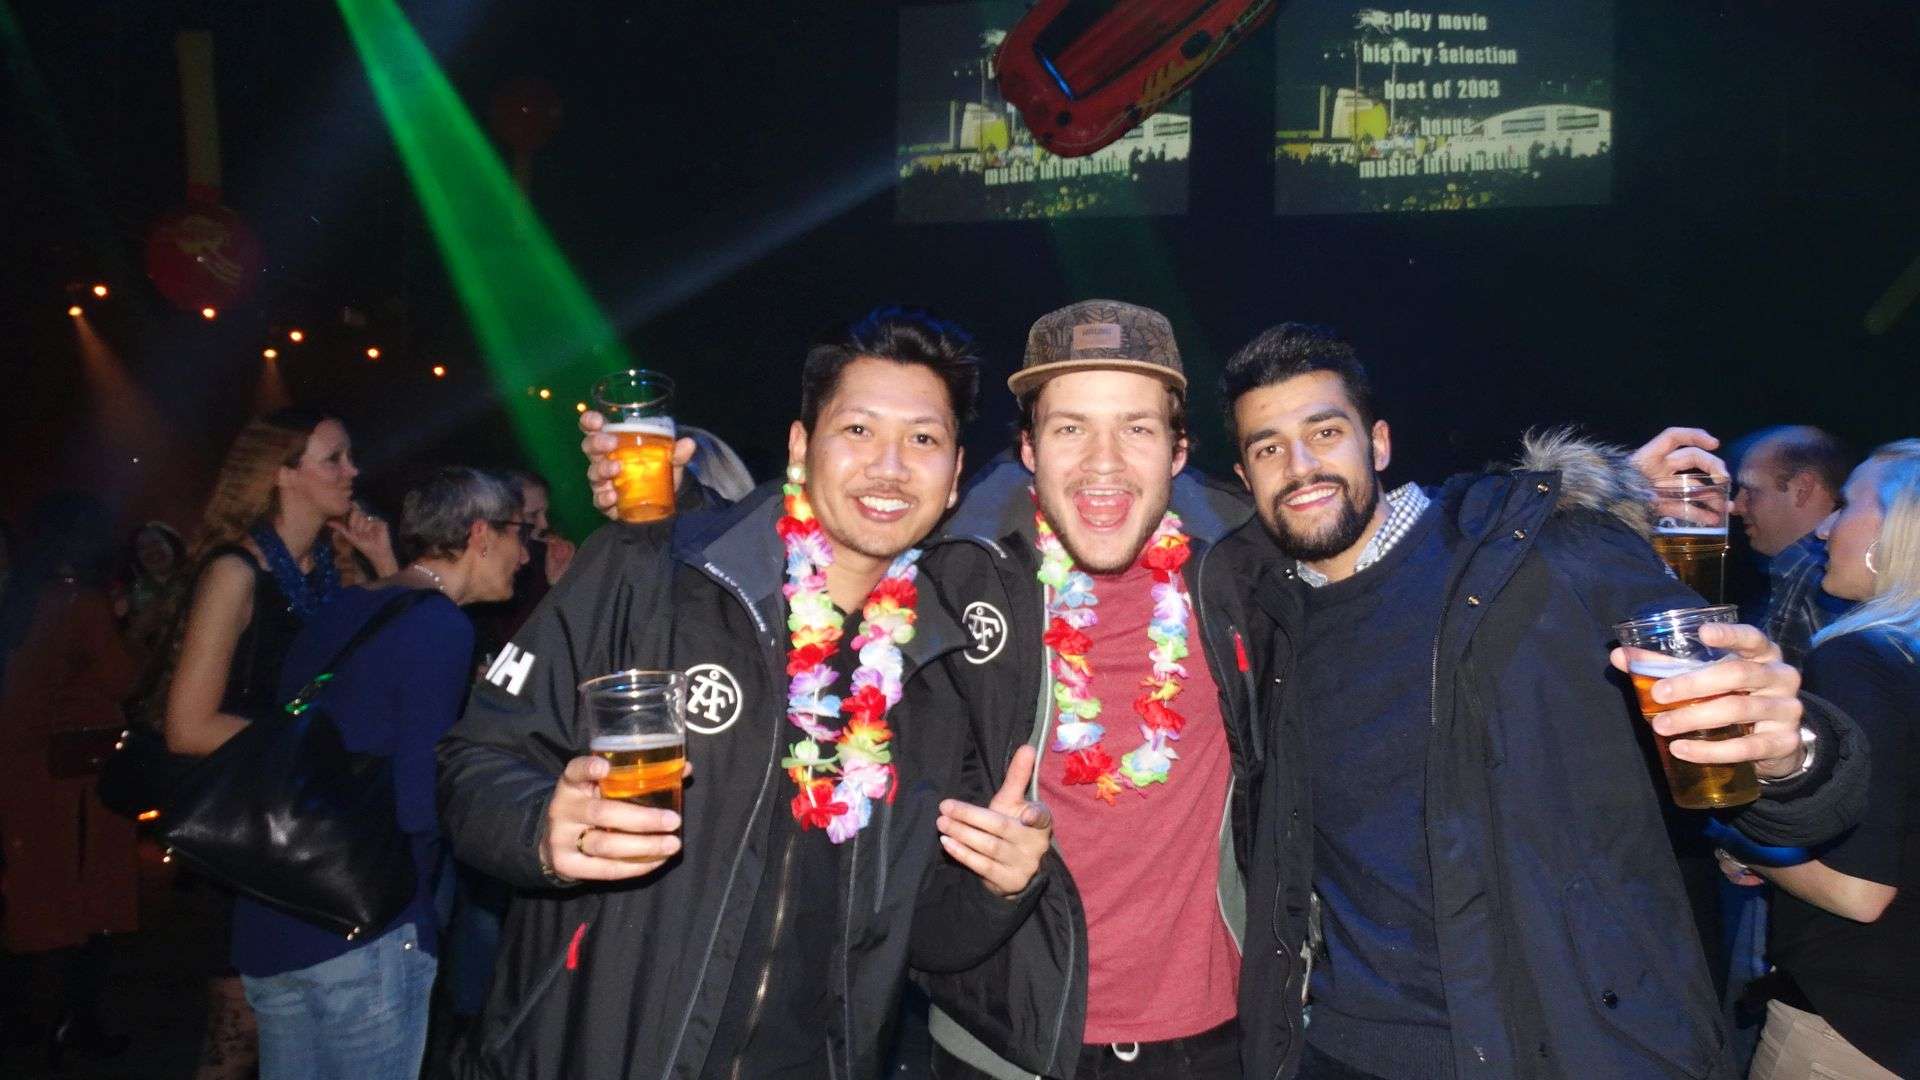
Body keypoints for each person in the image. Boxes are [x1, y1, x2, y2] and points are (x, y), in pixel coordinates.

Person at [1223, 323, 1867, 1080]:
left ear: (1380, 443)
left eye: (1325, 432)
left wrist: (1793, 754)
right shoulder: (1266, 626)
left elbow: (1767, 750)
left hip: (1563, 1044)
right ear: (1244, 477)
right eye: (1269, 448)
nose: (1300, 466)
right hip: (1345, 1051)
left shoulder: (1546, 552)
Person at [440, 307, 1052, 1079]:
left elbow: (919, 937)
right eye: (858, 430)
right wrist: (542, 830)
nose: (890, 466)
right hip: (599, 1053)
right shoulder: (655, 572)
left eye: (923, 440)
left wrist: (1001, 886)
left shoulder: (935, 670)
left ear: (956, 473)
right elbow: (477, 762)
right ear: (800, 447)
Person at [914, 301, 1268, 1079]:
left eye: (1136, 428)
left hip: (1221, 1045)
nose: (1103, 462)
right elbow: (887, 883)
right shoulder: (953, 592)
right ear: (1028, 448)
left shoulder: (1242, 585)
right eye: (1070, 427)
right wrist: (991, 888)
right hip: (1007, 1050)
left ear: (1178, 452)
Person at [235, 467, 526, 1080]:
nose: (524, 555)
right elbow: (422, 800)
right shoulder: (440, 626)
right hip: (362, 922)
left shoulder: (348, 607)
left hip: (273, 907)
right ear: (480, 534)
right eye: (517, 532)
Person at [156, 407, 398, 1080]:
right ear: (282, 474)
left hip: (309, 825)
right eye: (334, 458)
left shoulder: (334, 569)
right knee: (237, 1040)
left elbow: (385, 672)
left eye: (350, 456)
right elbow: (188, 725)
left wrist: (386, 564)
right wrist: (320, 746)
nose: (352, 471)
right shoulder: (235, 572)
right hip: (243, 827)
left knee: (305, 1032)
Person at [1729, 439, 1920, 1080]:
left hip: (1858, 1033)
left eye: (1847, 505)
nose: (1825, 528)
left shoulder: (1864, 659)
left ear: (1899, 529)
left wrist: (1740, 842)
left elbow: (1857, 892)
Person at [0, 493, 138, 1066]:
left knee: (32, 898)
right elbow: (123, 679)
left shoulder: (24, 598)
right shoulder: (82, 604)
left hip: (24, 770)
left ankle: (28, 1023)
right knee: (84, 903)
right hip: (76, 775)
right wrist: (128, 625)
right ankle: (71, 1023)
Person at [1730, 426, 1855, 667]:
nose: (1736, 506)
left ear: (1803, 489)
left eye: (1751, 491)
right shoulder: (1791, 571)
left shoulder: (1814, 574)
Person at [114, 520, 187, 663]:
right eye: (142, 548)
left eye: (156, 542)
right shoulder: (131, 598)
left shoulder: (199, 575)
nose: (152, 551)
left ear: (171, 544)